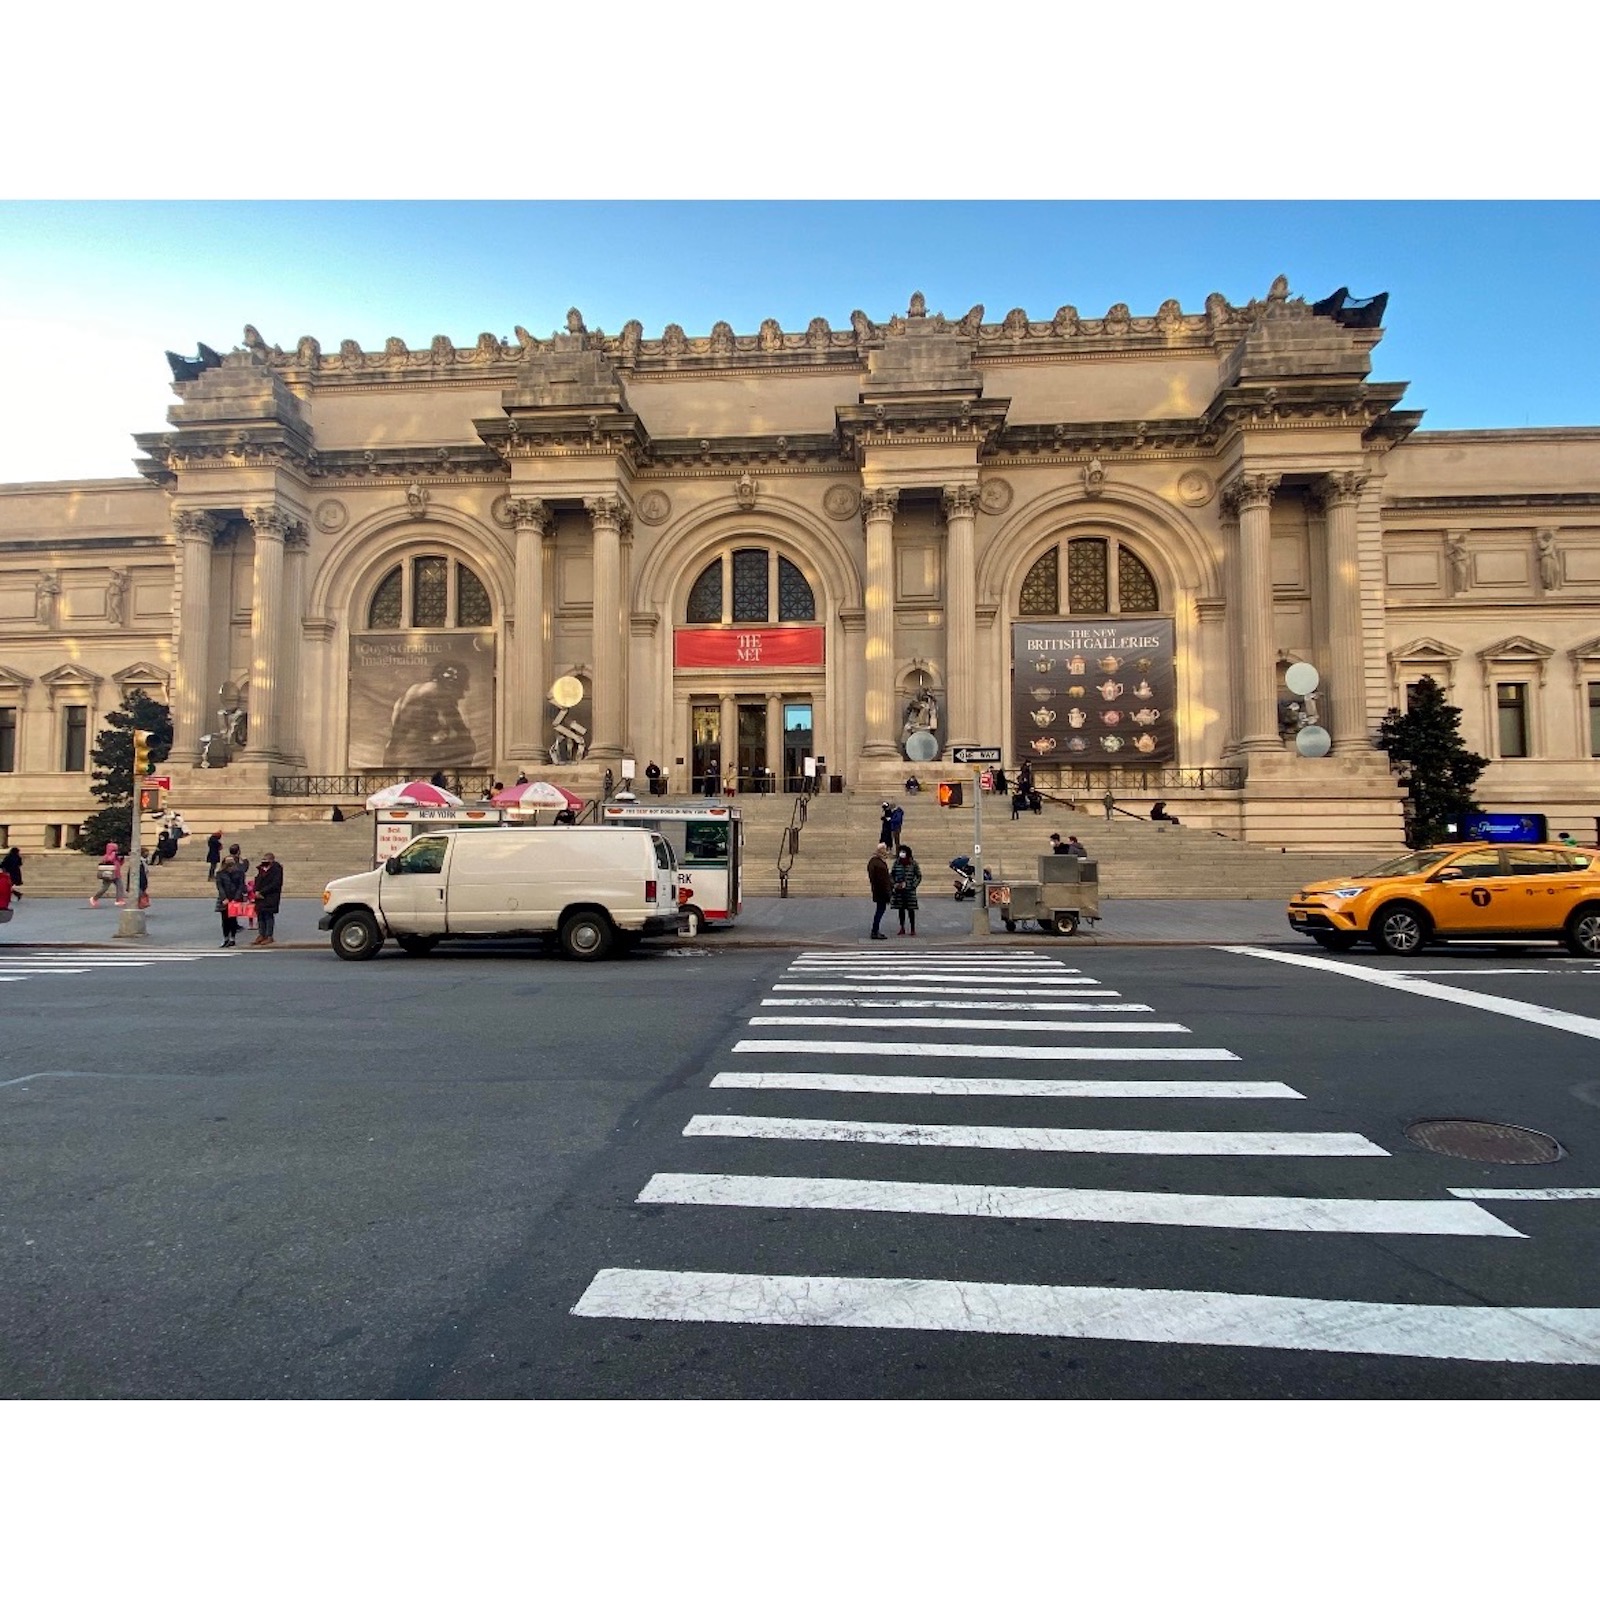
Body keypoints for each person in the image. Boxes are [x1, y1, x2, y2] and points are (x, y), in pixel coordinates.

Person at [382, 659, 476, 768]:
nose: (462, 696)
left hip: (393, 758)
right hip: (417, 761)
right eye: (461, 689)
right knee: (467, 745)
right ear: (451, 685)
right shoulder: (438, 692)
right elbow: (462, 732)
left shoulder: (414, 691)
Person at [215, 847, 248, 948]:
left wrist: (236, 898)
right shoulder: (220, 873)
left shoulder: (239, 873)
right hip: (224, 899)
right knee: (224, 920)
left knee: (233, 919)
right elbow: (219, 886)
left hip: (235, 897)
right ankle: (226, 938)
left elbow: (240, 886)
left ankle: (232, 938)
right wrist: (224, 898)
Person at [251, 853, 284, 946]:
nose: (264, 861)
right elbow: (257, 880)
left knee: (268, 916)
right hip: (259, 896)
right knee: (260, 915)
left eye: (266, 860)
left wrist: (262, 892)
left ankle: (269, 935)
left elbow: (275, 884)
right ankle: (261, 934)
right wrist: (256, 891)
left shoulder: (276, 870)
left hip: (270, 896)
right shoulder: (261, 869)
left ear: (271, 860)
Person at [890, 844, 922, 937]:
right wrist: (895, 884)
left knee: (911, 910)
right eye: (900, 851)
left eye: (903, 852)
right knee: (901, 909)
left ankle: (912, 928)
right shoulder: (897, 863)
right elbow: (891, 875)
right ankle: (902, 927)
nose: (901, 853)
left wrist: (913, 885)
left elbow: (919, 876)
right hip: (899, 890)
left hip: (909, 891)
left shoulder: (913, 863)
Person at [867, 842, 892, 941]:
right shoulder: (880, 864)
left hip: (877, 890)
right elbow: (884, 881)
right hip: (881, 892)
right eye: (885, 850)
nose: (886, 852)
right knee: (880, 911)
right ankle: (875, 931)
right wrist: (888, 893)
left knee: (879, 910)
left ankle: (875, 930)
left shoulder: (873, 861)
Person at [90, 841, 123, 906]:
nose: (115, 851)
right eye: (114, 849)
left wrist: (121, 859)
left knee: (120, 886)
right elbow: (109, 860)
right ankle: (94, 898)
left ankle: (119, 900)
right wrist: (113, 854)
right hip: (108, 874)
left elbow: (120, 864)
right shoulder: (107, 856)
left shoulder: (116, 856)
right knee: (105, 887)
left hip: (116, 873)